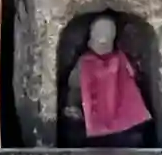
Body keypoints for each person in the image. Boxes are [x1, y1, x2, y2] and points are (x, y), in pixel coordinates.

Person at [66, 14, 153, 146]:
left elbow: (131, 84)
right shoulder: (87, 62)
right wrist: (73, 106)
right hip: (101, 123)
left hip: (120, 123)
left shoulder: (118, 59)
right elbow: (75, 88)